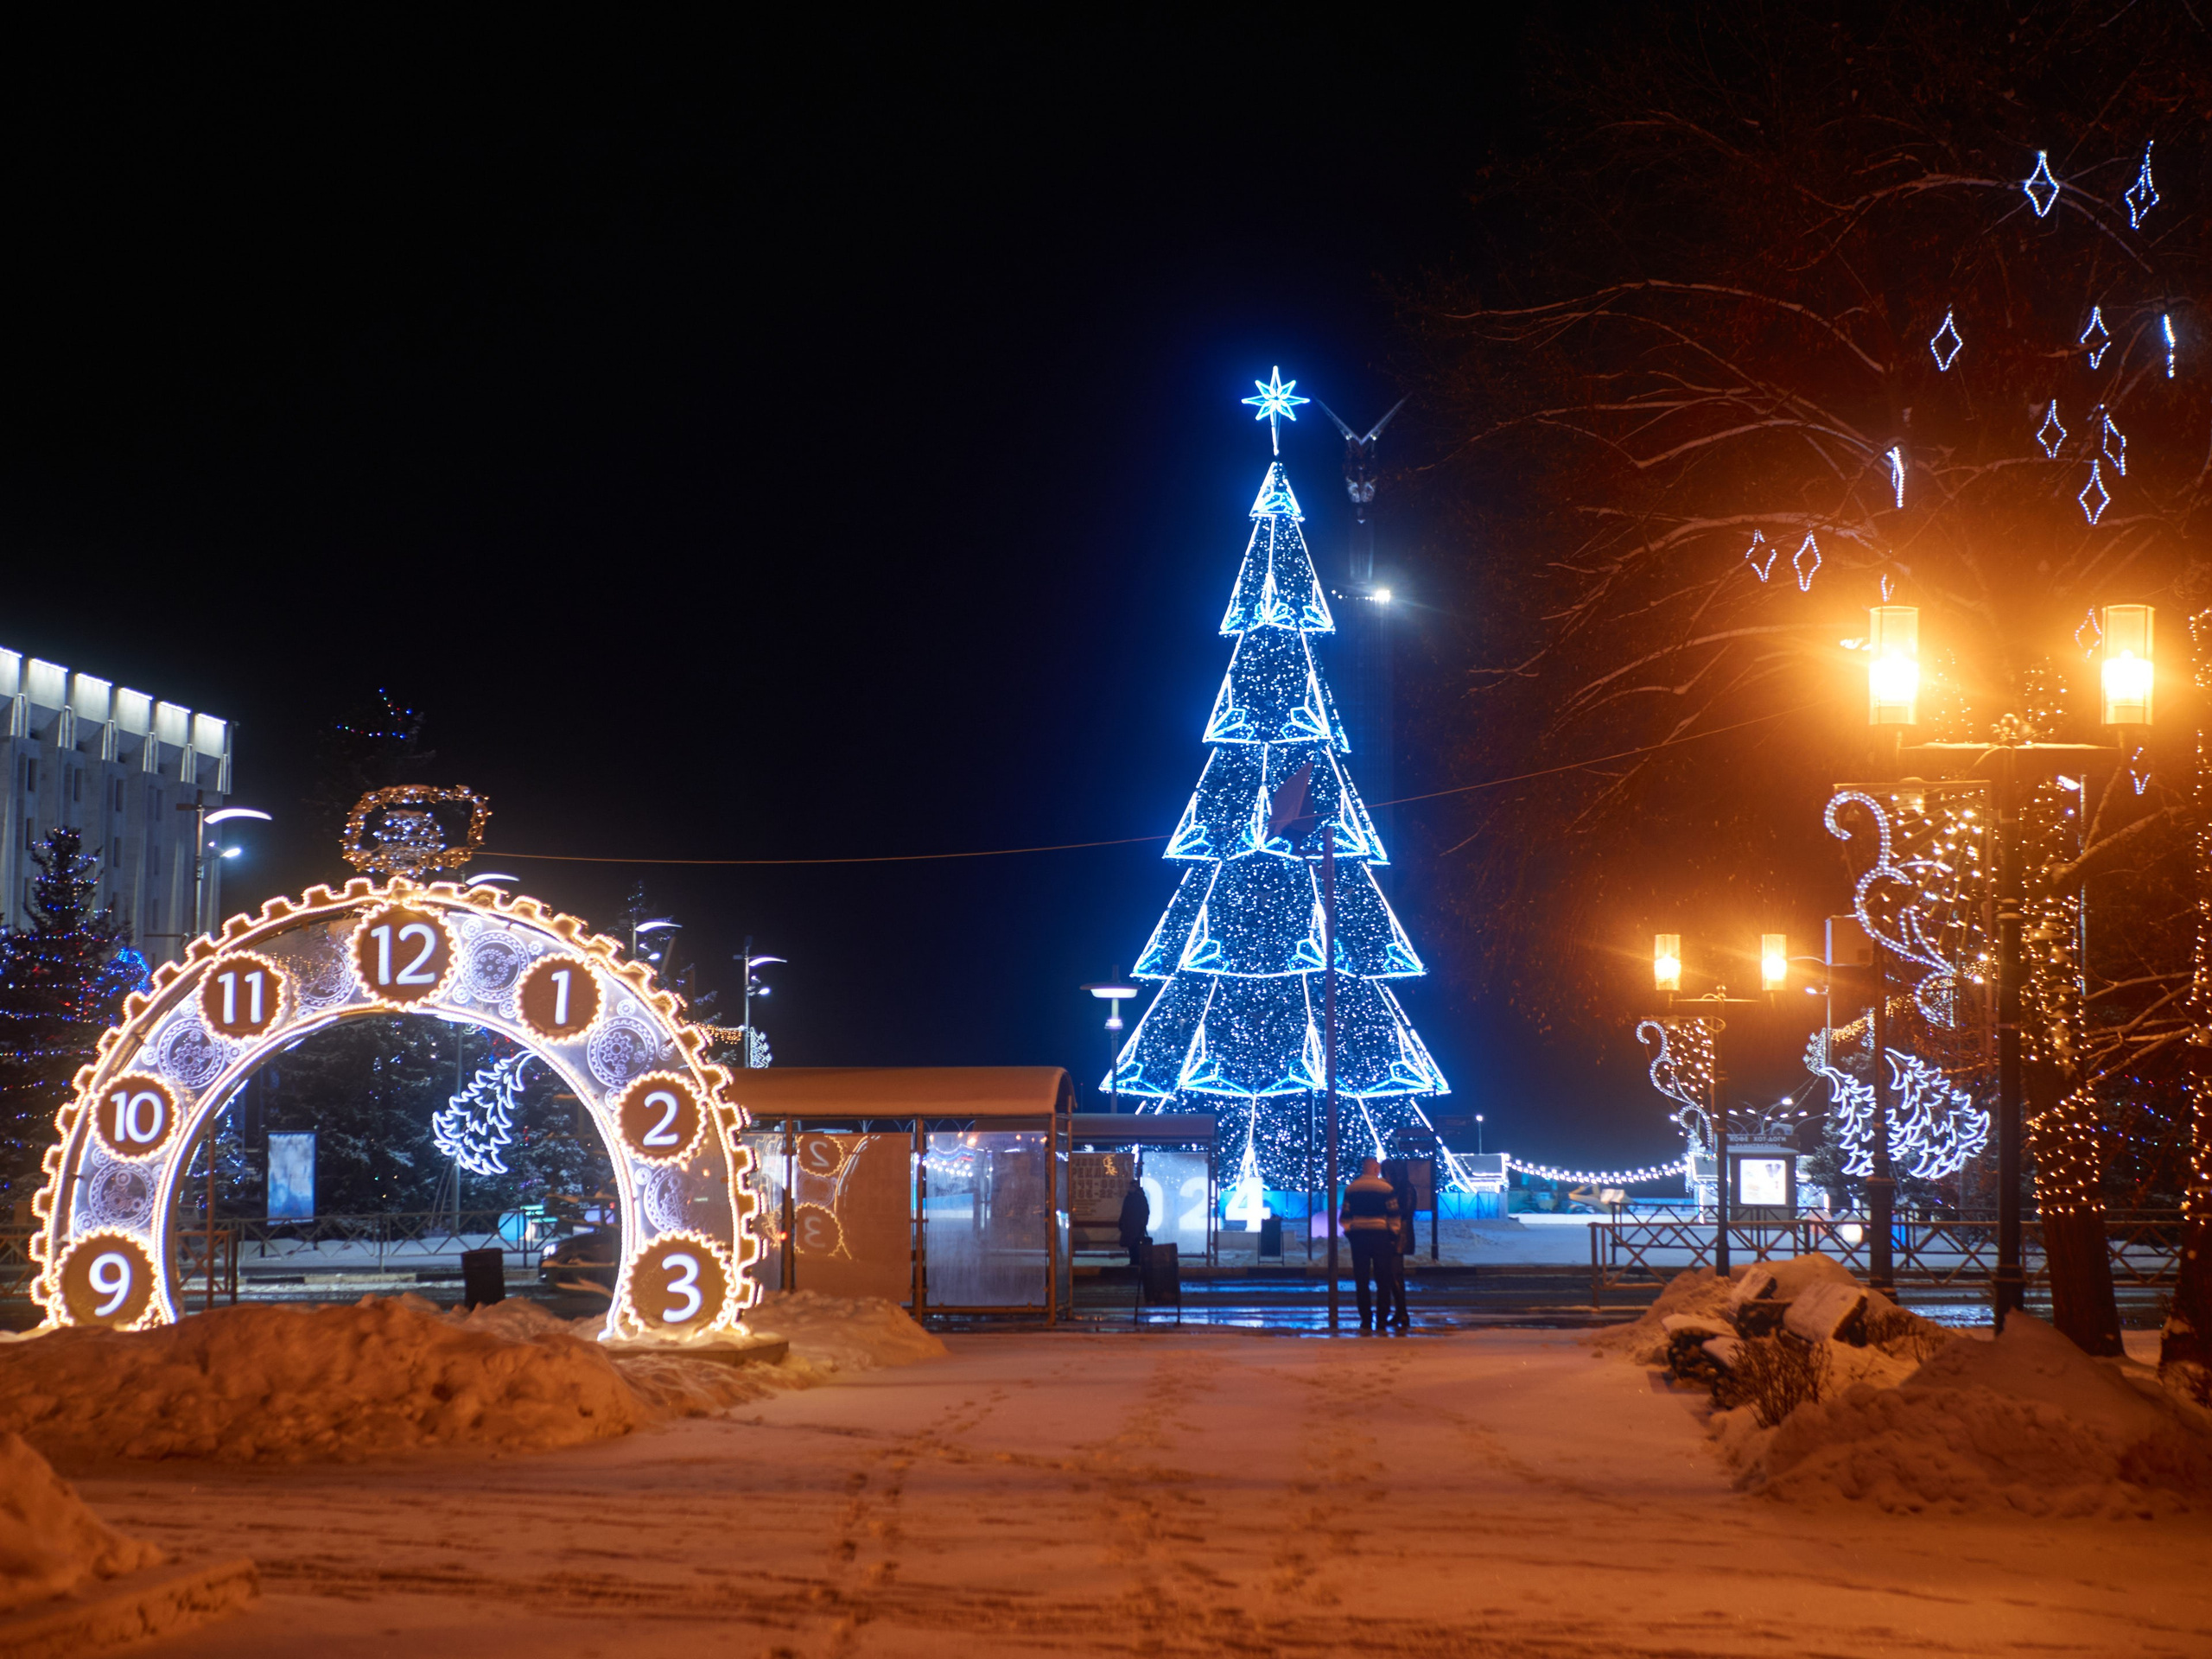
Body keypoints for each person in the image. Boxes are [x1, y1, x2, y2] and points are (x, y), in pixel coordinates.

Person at [1336, 1158, 1401, 1332]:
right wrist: (1393, 1235)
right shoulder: (1387, 1189)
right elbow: (1394, 1216)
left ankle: (1365, 1319)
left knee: (1362, 1281)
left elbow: (1345, 1217)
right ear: (1375, 1169)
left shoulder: (1352, 1188)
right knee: (1383, 1280)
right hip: (1381, 1238)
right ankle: (1381, 1319)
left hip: (1359, 1238)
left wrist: (1350, 1231)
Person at [1381, 1162, 1415, 1331]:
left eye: (1387, 1172)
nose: (1385, 1176)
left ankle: (1402, 1313)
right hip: (1397, 1234)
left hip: (1400, 1235)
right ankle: (1400, 1312)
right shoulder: (1399, 1187)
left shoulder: (1405, 1188)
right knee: (1394, 1275)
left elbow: (1404, 1211)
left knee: (1395, 1275)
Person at [1117, 1175, 1151, 1268]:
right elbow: (1124, 1212)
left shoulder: (1139, 1198)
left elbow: (1145, 1212)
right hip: (1130, 1226)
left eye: (1132, 1187)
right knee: (1131, 1245)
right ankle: (1134, 1261)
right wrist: (1121, 1222)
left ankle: (1136, 1262)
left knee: (1135, 1245)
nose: (1130, 1188)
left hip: (1135, 1226)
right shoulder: (1130, 1198)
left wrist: (1143, 1223)